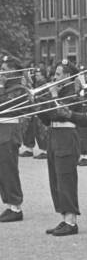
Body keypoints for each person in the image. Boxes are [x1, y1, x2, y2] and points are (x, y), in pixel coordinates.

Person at [41, 60, 85, 236]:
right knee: (55, 179)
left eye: (58, 74)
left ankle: (71, 220)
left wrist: (52, 97)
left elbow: (62, 112)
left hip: (67, 136)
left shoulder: (73, 93)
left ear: (67, 76)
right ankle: (64, 216)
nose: (54, 78)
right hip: (54, 136)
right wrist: (39, 104)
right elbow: (48, 117)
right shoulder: (59, 93)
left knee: (66, 178)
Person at [0, 56, 29, 222]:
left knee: (8, 169)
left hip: (10, 130)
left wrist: (2, 86)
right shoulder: (7, 86)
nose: (2, 72)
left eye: (5, 69)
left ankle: (16, 206)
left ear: (13, 71)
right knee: (2, 170)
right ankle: (9, 204)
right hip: (2, 129)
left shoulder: (18, 87)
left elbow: (5, 105)